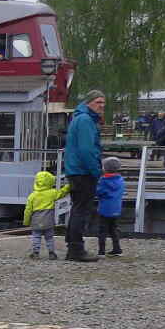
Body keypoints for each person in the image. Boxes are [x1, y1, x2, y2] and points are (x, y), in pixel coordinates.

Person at [63, 89, 106, 262]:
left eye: (103, 102)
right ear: (89, 103)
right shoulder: (86, 120)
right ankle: (76, 249)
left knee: (77, 209)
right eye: (98, 102)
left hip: (75, 171)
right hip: (83, 172)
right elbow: (87, 149)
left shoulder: (79, 118)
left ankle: (73, 247)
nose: (102, 106)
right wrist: (96, 171)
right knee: (81, 210)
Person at [23, 171, 69, 260]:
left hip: (36, 220)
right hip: (49, 220)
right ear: (50, 181)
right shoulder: (52, 193)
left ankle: (35, 253)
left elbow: (27, 210)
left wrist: (26, 221)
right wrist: (68, 186)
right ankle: (51, 253)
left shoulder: (32, 196)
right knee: (49, 238)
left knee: (36, 237)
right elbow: (62, 193)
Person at [96, 156, 125, 256]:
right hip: (116, 209)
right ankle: (117, 249)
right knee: (114, 230)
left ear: (105, 168)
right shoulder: (120, 180)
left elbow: (99, 192)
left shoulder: (103, 181)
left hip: (105, 209)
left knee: (102, 231)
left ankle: (101, 251)